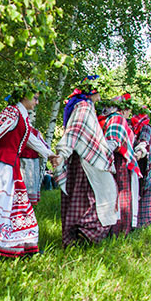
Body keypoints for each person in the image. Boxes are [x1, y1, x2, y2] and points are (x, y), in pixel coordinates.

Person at [0, 85, 57, 261]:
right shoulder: (12, 113)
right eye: (35, 98)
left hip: (9, 167)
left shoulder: (21, 116)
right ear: (24, 97)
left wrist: (49, 154)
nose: (37, 102)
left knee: (17, 208)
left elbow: (30, 139)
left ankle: (21, 248)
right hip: (1, 168)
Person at [53, 76, 119, 247]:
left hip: (86, 159)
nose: (100, 96)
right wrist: (63, 152)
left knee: (89, 196)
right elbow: (74, 131)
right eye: (98, 92)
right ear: (92, 92)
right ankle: (84, 236)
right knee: (90, 198)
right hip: (85, 162)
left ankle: (81, 238)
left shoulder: (86, 106)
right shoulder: (84, 107)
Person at [97, 96, 142, 237]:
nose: (129, 113)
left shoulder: (106, 119)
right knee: (121, 194)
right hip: (119, 161)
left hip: (112, 160)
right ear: (123, 108)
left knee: (112, 194)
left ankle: (114, 229)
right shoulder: (117, 118)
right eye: (128, 109)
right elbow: (113, 140)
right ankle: (119, 230)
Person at [131, 106, 151, 228]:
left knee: (143, 191)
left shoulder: (145, 128)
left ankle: (144, 220)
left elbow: (144, 143)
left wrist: (138, 153)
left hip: (143, 164)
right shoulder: (135, 128)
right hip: (138, 164)